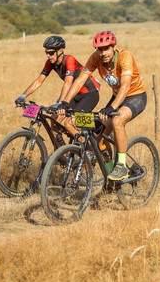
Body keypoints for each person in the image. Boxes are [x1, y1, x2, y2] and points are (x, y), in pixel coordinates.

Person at [60, 30, 147, 181]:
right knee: (98, 135)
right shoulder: (95, 58)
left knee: (117, 121)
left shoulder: (124, 56)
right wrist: (65, 102)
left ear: (113, 47)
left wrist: (112, 107)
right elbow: (80, 80)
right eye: (100, 49)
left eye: (106, 48)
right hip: (117, 97)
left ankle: (121, 166)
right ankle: (111, 174)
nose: (103, 53)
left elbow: (125, 85)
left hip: (135, 96)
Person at [14, 35, 101, 137]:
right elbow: (39, 81)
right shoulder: (50, 63)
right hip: (74, 95)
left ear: (60, 51)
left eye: (51, 53)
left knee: (70, 124)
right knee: (54, 119)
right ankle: (61, 146)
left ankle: (89, 142)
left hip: (89, 94)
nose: (48, 56)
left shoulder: (69, 60)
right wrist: (23, 96)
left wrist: (60, 102)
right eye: (46, 52)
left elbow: (68, 83)